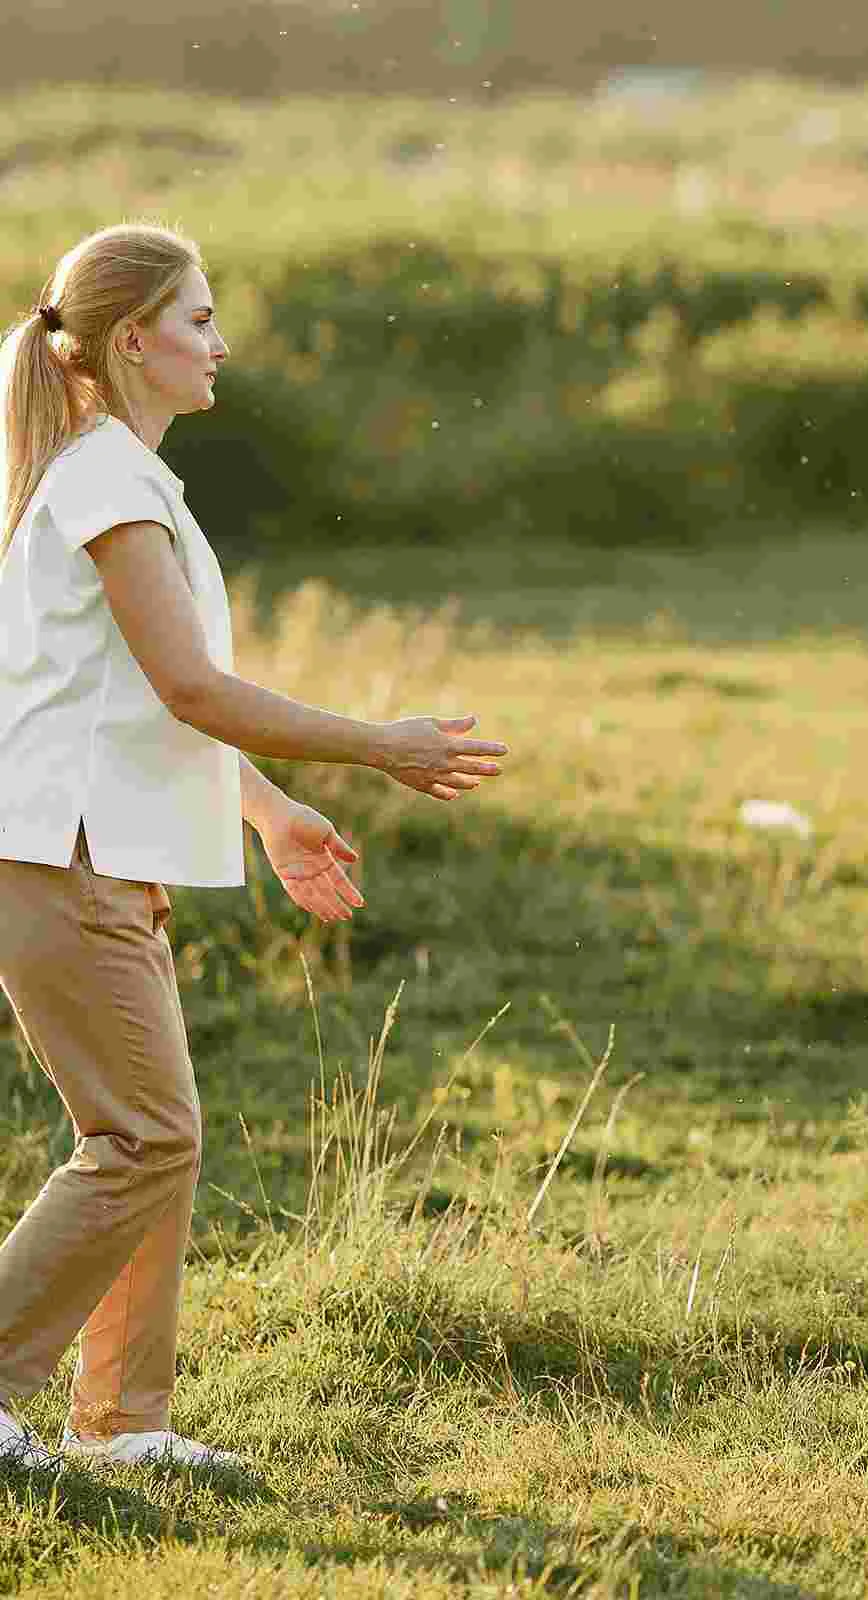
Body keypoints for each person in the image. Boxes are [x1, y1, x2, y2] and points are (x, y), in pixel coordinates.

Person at [0, 223, 509, 1472]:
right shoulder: (108, 485)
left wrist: (271, 809)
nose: (220, 343)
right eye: (199, 320)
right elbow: (190, 686)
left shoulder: (113, 475)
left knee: (152, 1138)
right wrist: (376, 744)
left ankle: (121, 1424)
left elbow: (133, 694)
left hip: (100, 857)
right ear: (133, 340)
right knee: (145, 1136)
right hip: (61, 859)